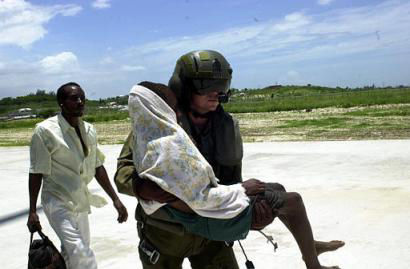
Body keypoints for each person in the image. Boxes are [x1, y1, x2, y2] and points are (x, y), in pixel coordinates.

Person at [118, 50, 343, 269]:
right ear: (184, 88)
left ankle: (309, 248)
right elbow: (123, 172)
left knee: (278, 193)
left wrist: (252, 216)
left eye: (221, 87)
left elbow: (232, 180)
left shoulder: (225, 127)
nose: (216, 94)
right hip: (165, 235)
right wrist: (141, 188)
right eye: (207, 87)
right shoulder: (159, 127)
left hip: (211, 238)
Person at [27, 82, 128, 269]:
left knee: (73, 251)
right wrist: (33, 211)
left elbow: (98, 166)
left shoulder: (89, 130)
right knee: (80, 252)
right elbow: (36, 172)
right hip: (56, 201)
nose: (80, 102)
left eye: (82, 97)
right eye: (74, 98)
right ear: (61, 103)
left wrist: (115, 199)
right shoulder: (45, 131)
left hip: (80, 201)